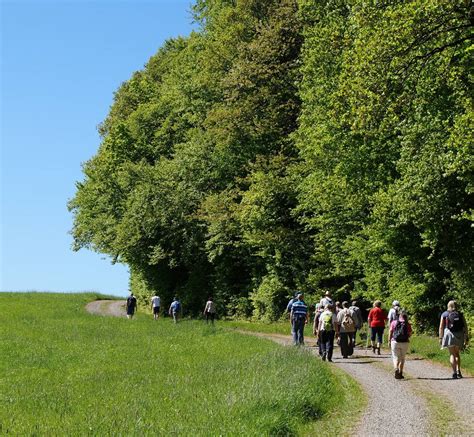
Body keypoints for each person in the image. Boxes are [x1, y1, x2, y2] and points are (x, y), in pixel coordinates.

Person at [439, 300, 469, 379]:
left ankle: (454, 372)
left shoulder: (445, 314)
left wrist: (440, 337)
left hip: (449, 335)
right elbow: (465, 326)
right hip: (459, 335)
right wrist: (466, 336)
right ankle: (459, 371)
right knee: (457, 354)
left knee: (452, 354)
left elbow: (441, 327)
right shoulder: (460, 314)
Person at [389, 310, 412, 379]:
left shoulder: (394, 322)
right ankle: (400, 373)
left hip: (395, 341)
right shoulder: (407, 324)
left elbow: (390, 331)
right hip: (405, 342)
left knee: (395, 357)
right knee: (402, 358)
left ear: (399, 315)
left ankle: (396, 368)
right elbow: (410, 334)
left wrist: (389, 340)